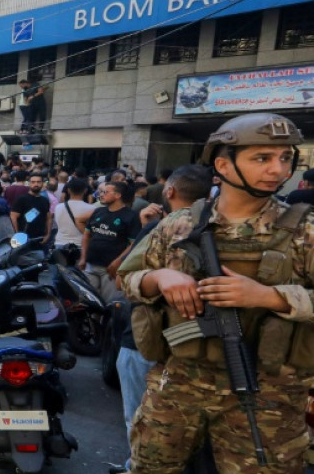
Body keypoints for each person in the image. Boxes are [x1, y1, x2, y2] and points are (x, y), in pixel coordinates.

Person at [119, 113, 314, 473]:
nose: (278, 170)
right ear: (223, 165)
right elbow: (127, 279)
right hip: (180, 384)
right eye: (262, 158)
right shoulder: (179, 224)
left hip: (269, 395)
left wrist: (269, 297)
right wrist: (159, 278)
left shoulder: (305, 230)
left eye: (286, 158)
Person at [109, 164, 212, 474]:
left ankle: (134, 466)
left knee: (141, 420)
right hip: (201, 352)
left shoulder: (163, 227)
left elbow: (121, 277)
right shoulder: (218, 226)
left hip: (148, 343)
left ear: (170, 191)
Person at [79, 181, 139, 303]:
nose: (101, 194)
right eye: (101, 192)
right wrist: (83, 258)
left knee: (110, 303)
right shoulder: (98, 212)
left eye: (105, 192)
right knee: (89, 302)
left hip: (111, 270)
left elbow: (134, 244)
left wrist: (118, 262)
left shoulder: (131, 216)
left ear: (118, 195)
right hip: (91, 265)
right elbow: (86, 236)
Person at [10, 174, 53, 244]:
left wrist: (48, 234)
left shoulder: (44, 200)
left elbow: (49, 218)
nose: (36, 184)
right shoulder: (22, 199)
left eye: (38, 182)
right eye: (33, 182)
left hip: (40, 239)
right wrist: (17, 235)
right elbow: (13, 217)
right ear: (29, 184)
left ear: (42, 183)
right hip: (24, 240)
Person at [53, 178, 95, 248]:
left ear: (68, 190)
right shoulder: (92, 209)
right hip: (81, 244)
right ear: (85, 190)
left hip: (60, 243)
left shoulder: (58, 207)